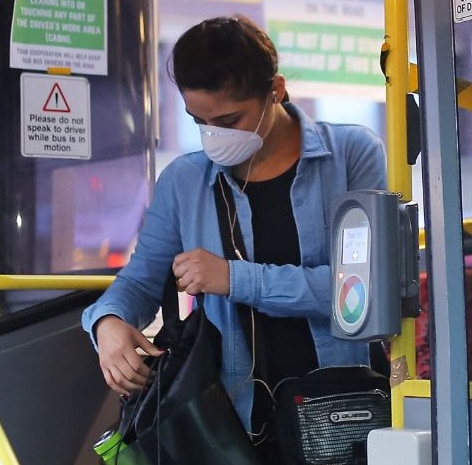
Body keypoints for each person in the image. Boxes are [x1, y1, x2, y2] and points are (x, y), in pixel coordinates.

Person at [81, 15, 387, 463]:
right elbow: (140, 282)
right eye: (198, 120)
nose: (213, 136)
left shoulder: (351, 156)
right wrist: (106, 323)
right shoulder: (183, 181)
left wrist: (234, 278)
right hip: (229, 420)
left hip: (340, 411)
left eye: (228, 119)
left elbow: (361, 293)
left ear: (276, 91)